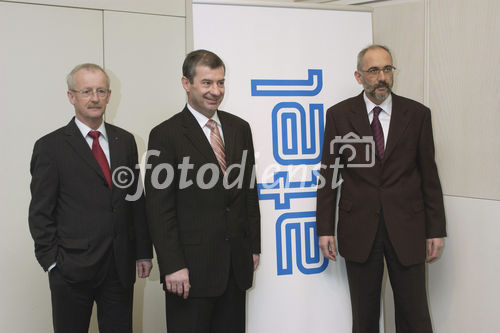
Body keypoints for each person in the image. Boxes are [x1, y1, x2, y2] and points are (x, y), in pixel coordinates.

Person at [316, 45, 446, 333]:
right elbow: (329, 174)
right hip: (359, 228)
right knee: (364, 317)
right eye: (374, 70)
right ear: (359, 76)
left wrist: (435, 229)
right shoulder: (338, 115)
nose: (382, 77)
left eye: (387, 69)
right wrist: (324, 228)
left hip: (408, 227)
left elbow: (429, 175)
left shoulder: (418, 114)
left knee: (415, 315)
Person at [28, 63, 153, 333]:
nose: (94, 98)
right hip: (70, 270)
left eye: (100, 91)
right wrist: (52, 262)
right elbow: (40, 212)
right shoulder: (50, 147)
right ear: (71, 96)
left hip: (119, 268)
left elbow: (135, 200)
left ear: (109, 95)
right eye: (86, 91)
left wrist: (143, 252)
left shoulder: (125, 141)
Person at [145, 49, 261, 333]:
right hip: (188, 273)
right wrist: (172, 264)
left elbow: (248, 192)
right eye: (207, 83)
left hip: (235, 266)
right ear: (187, 84)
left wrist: (253, 247)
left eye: (220, 82)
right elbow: (160, 208)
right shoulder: (165, 135)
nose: (216, 91)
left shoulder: (239, 128)